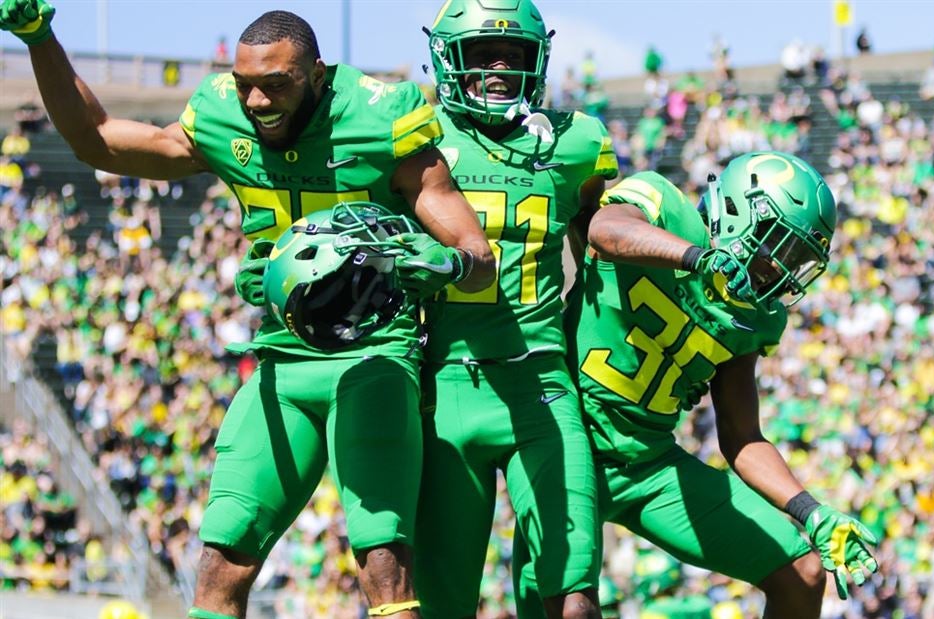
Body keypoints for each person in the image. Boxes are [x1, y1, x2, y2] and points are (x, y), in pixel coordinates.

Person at [0, 3, 495, 618]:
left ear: (317, 74)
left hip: (373, 357)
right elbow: (95, 139)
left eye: (276, 85)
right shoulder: (219, 114)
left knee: (383, 567)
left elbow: (477, 254)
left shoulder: (380, 116)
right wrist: (39, 37)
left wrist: (439, 262)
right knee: (220, 565)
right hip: (281, 364)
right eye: (245, 85)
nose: (256, 102)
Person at [519, 152, 879, 615]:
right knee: (573, 610)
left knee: (802, 572)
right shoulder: (664, 204)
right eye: (780, 247)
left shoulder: (755, 313)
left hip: (647, 463)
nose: (782, 270)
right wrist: (696, 259)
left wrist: (811, 511)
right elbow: (604, 230)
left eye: (799, 259)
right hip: (565, 444)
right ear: (737, 211)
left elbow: (742, 436)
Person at [415, 0, 617, 616]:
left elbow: (599, 253)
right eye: (482, 53)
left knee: (574, 599)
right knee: (441, 606)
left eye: (515, 54)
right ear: (450, 59)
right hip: (445, 385)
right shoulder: (415, 139)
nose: (500, 66)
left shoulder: (577, 142)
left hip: (542, 385)